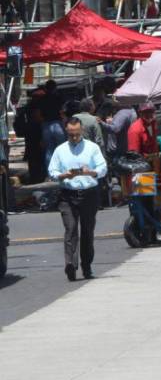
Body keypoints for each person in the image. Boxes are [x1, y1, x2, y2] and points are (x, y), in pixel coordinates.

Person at [48, 117, 108, 281]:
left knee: (87, 231)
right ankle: (70, 264)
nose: (74, 138)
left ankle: (86, 265)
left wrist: (91, 172)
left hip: (89, 193)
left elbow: (102, 167)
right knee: (71, 228)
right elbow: (52, 171)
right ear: (66, 133)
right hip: (68, 194)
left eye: (77, 134)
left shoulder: (92, 147)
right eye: (71, 135)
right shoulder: (60, 150)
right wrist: (63, 175)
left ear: (81, 131)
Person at [40, 80, 66, 168]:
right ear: (55, 88)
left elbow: (40, 113)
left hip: (46, 125)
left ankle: (50, 172)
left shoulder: (42, 99)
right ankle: (62, 169)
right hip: (57, 124)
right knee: (62, 148)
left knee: (49, 149)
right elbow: (63, 110)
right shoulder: (59, 97)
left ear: (46, 88)